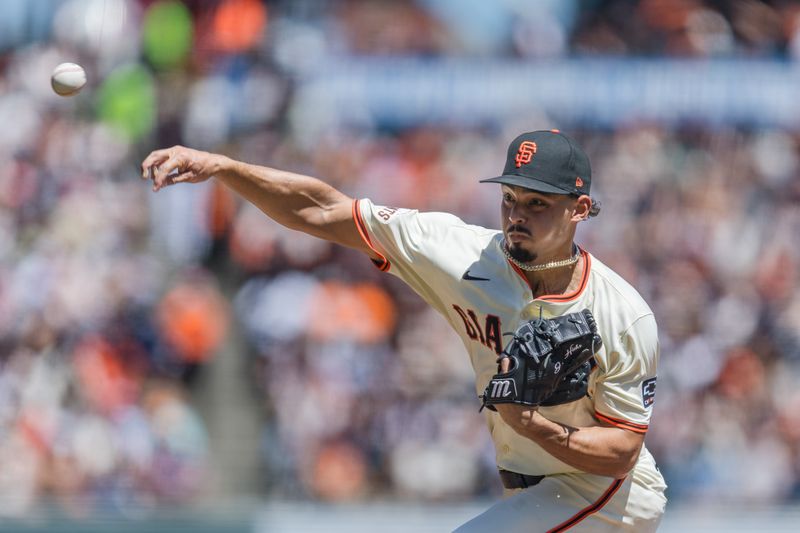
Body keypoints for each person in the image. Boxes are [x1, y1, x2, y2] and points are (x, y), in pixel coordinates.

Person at [141, 130, 667, 532]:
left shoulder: (623, 314)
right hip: (534, 490)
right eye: (510, 198)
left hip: (604, 494)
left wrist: (532, 425)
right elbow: (324, 210)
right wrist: (226, 168)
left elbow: (622, 450)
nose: (516, 215)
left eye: (537, 203)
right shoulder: (460, 253)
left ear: (579, 210)